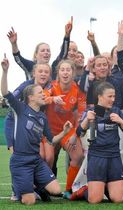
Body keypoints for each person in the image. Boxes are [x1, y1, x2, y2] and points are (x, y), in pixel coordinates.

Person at [1, 54, 72, 205]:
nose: (43, 94)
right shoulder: (20, 109)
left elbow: (52, 140)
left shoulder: (42, 117)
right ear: (31, 97)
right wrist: (5, 71)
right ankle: (21, 187)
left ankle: (31, 184)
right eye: (40, 93)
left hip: (36, 160)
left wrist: (65, 132)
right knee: (29, 201)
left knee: (56, 190)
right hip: (20, 161)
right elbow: (6, 92)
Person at [71, 81, 123, 203]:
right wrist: (86, 121)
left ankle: (105, 187)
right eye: (109, 96)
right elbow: (79, 133)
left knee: (118, 199)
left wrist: (121, 121)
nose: (113, 99)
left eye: (114, 96)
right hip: (97, 156)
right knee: (95, 200)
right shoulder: (91, 111)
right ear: (100, 97)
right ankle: (84, 190)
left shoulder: (116, 111)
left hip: (114, 156)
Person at [43, 60, 86, 198]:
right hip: (50, 131)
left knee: (78, 157)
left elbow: (81, 112)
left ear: (73, 72)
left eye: (68, 70)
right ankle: (44, 189)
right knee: (48, 158)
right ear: (58, 72)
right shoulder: (52, 86)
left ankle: (68, 190)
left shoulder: (78, 89)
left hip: (68, 130)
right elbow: (42, 97)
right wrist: (52, 99)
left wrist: (77, 132)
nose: (65, 72)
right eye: (63, 69)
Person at [7, 17, 72, 80]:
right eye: (43, 51)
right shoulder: (31, 66)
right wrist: (14, 44)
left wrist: (67, 35)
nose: (46, 52)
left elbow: (63, 54)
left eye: (48, 51)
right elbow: (18, 58)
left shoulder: (53, 68)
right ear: (36, 55)